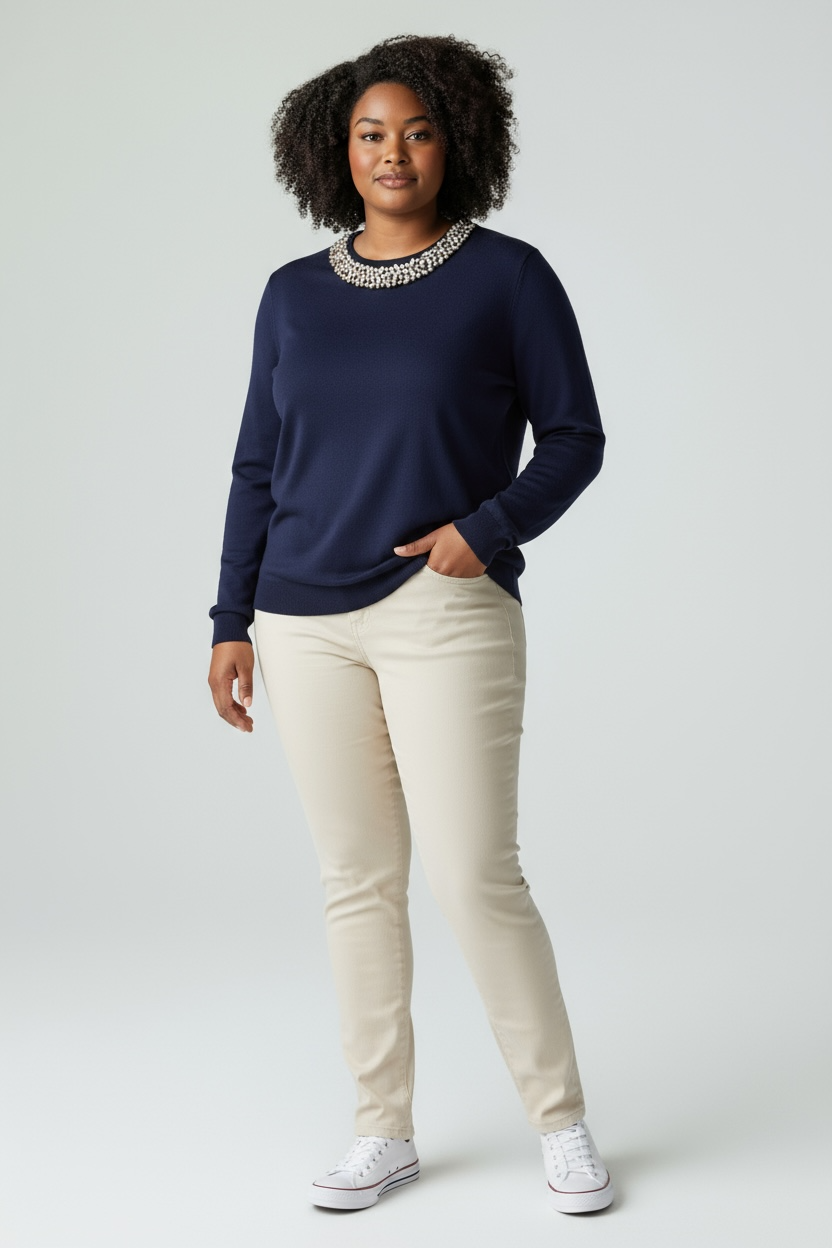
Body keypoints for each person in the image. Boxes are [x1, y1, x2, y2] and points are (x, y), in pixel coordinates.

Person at [207, 33, 614, 1216]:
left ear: (457, 143)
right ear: (335, 151)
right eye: (371, 134)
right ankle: (380, 1129)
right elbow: (256, 465)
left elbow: (575, 437)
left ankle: (561, 1123)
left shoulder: (508, 279)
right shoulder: (291, 295)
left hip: (445, 609)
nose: (394, 153)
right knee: (355, 880)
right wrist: (230, 619)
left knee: (476, 874)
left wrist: (483, 532)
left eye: (419, 131)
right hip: (300, 620)